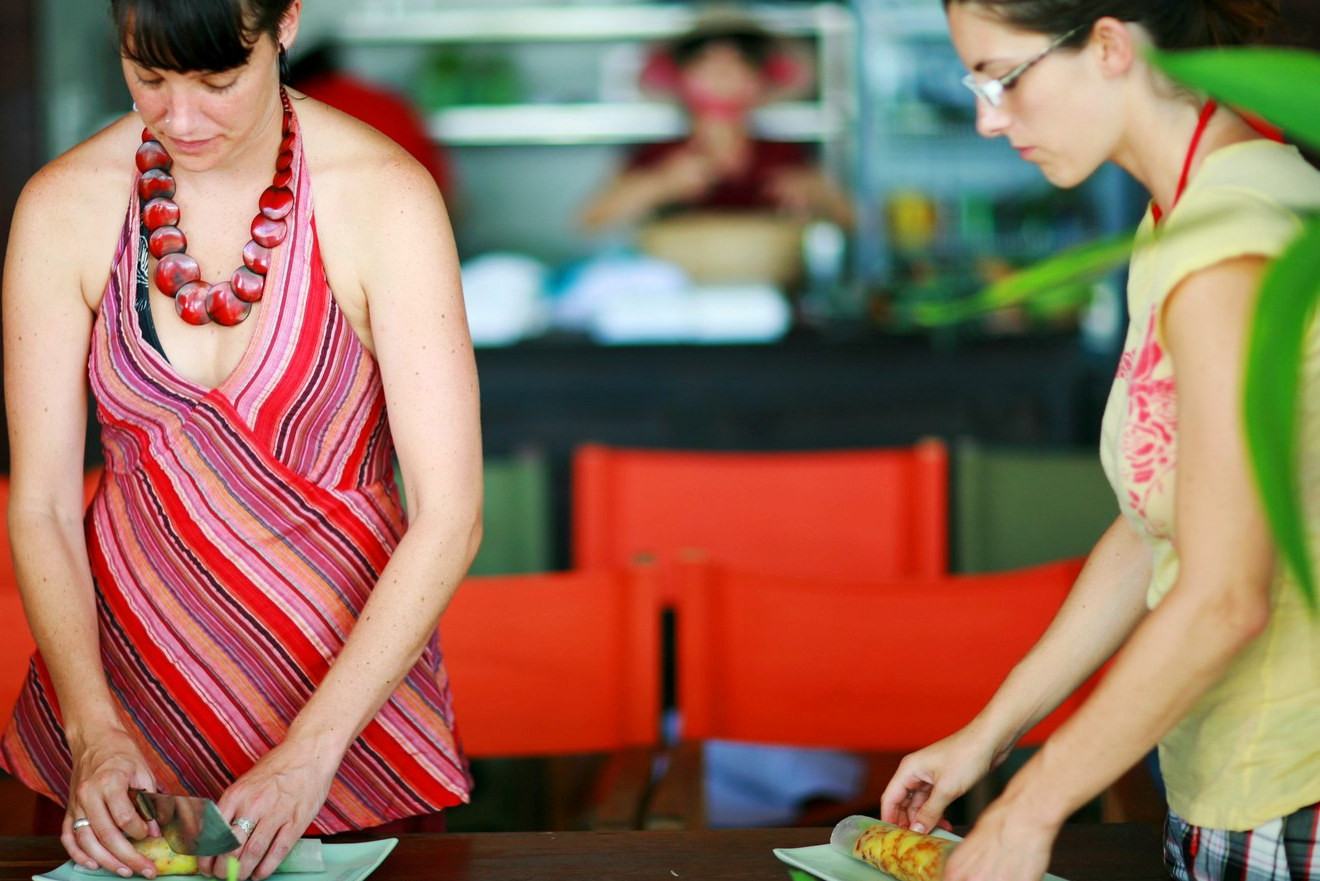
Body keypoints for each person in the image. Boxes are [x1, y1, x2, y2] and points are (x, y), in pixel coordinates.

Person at [0, 1, 481, 879]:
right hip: (126, 722)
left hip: (347, 729)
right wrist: (92, 728)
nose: (182, 119)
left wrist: (311, 751)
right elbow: (40, 505)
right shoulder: (64, 206)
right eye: (149, 79)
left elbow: (451, 514)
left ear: (285, 23)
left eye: (219, 81)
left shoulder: (383, 198)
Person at [879, 2, 1320, 880]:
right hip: (1229, 774)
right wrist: (989, 737)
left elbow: (1224, 595)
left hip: (1292, 792)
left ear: (1111, 45)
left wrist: (1029, 811)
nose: (987, 117)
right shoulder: (1190, 211)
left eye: (1003, 77)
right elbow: (1158, 517)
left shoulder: (1231, 245)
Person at [579, 16, 854, 231]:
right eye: (706, 65)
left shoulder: (784, 155)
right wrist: (661, 184)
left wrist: (818, 194)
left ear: (760, 81)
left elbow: (855, 221)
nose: (721, 75)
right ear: (679, 79)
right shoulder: (659, 155)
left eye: (737, 64)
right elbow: (591, 218)